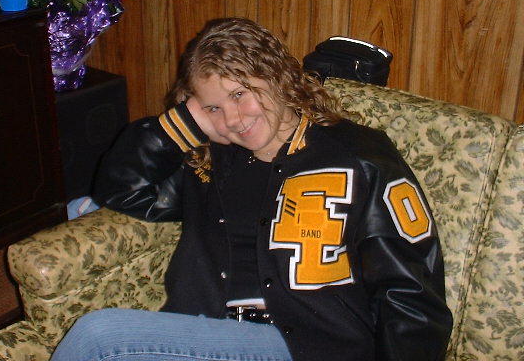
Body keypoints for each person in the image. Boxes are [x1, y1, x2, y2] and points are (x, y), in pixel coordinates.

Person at [51, 18, 453, 361]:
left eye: (239, 94)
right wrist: (184, 125)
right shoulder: (211, 162)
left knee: (100, 337)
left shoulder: (358, 157)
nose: (233, 119)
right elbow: (121, 190)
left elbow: (411, 292)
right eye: (213, 108)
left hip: (307, 346)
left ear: (277, 76)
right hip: (215, 334)